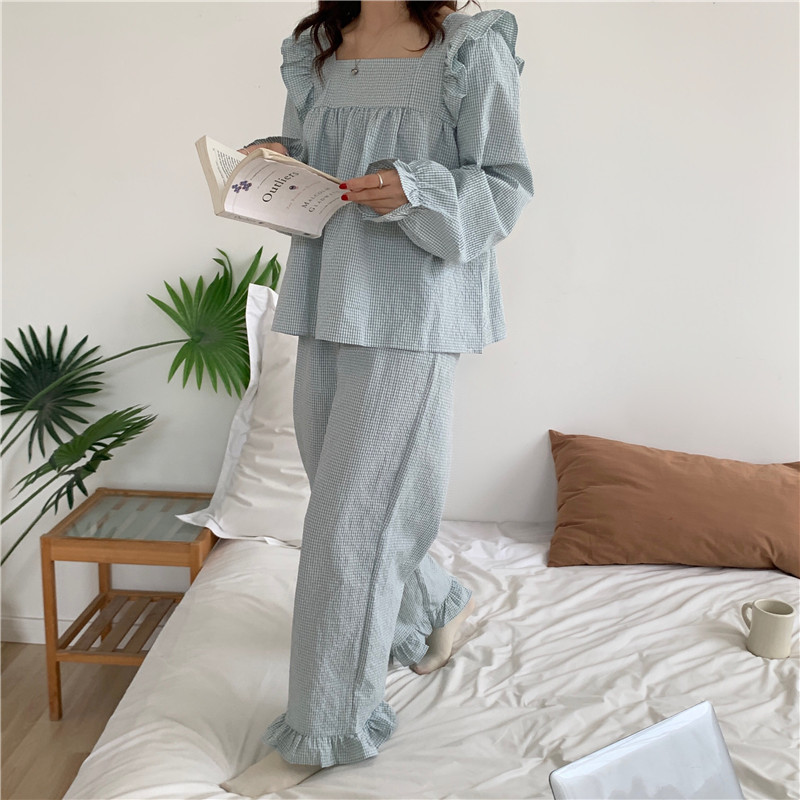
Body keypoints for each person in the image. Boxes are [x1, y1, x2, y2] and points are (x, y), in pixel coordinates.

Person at [220, 1, 533, 795]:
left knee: (346, 529)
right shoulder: (317, 47)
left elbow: (504, 185)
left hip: (414, 313)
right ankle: (435, 604)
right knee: (346, 501)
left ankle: (325, 731)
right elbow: (317, 164)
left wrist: (416, 190)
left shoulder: (469, 48)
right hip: (326, 296)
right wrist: (276, 159)